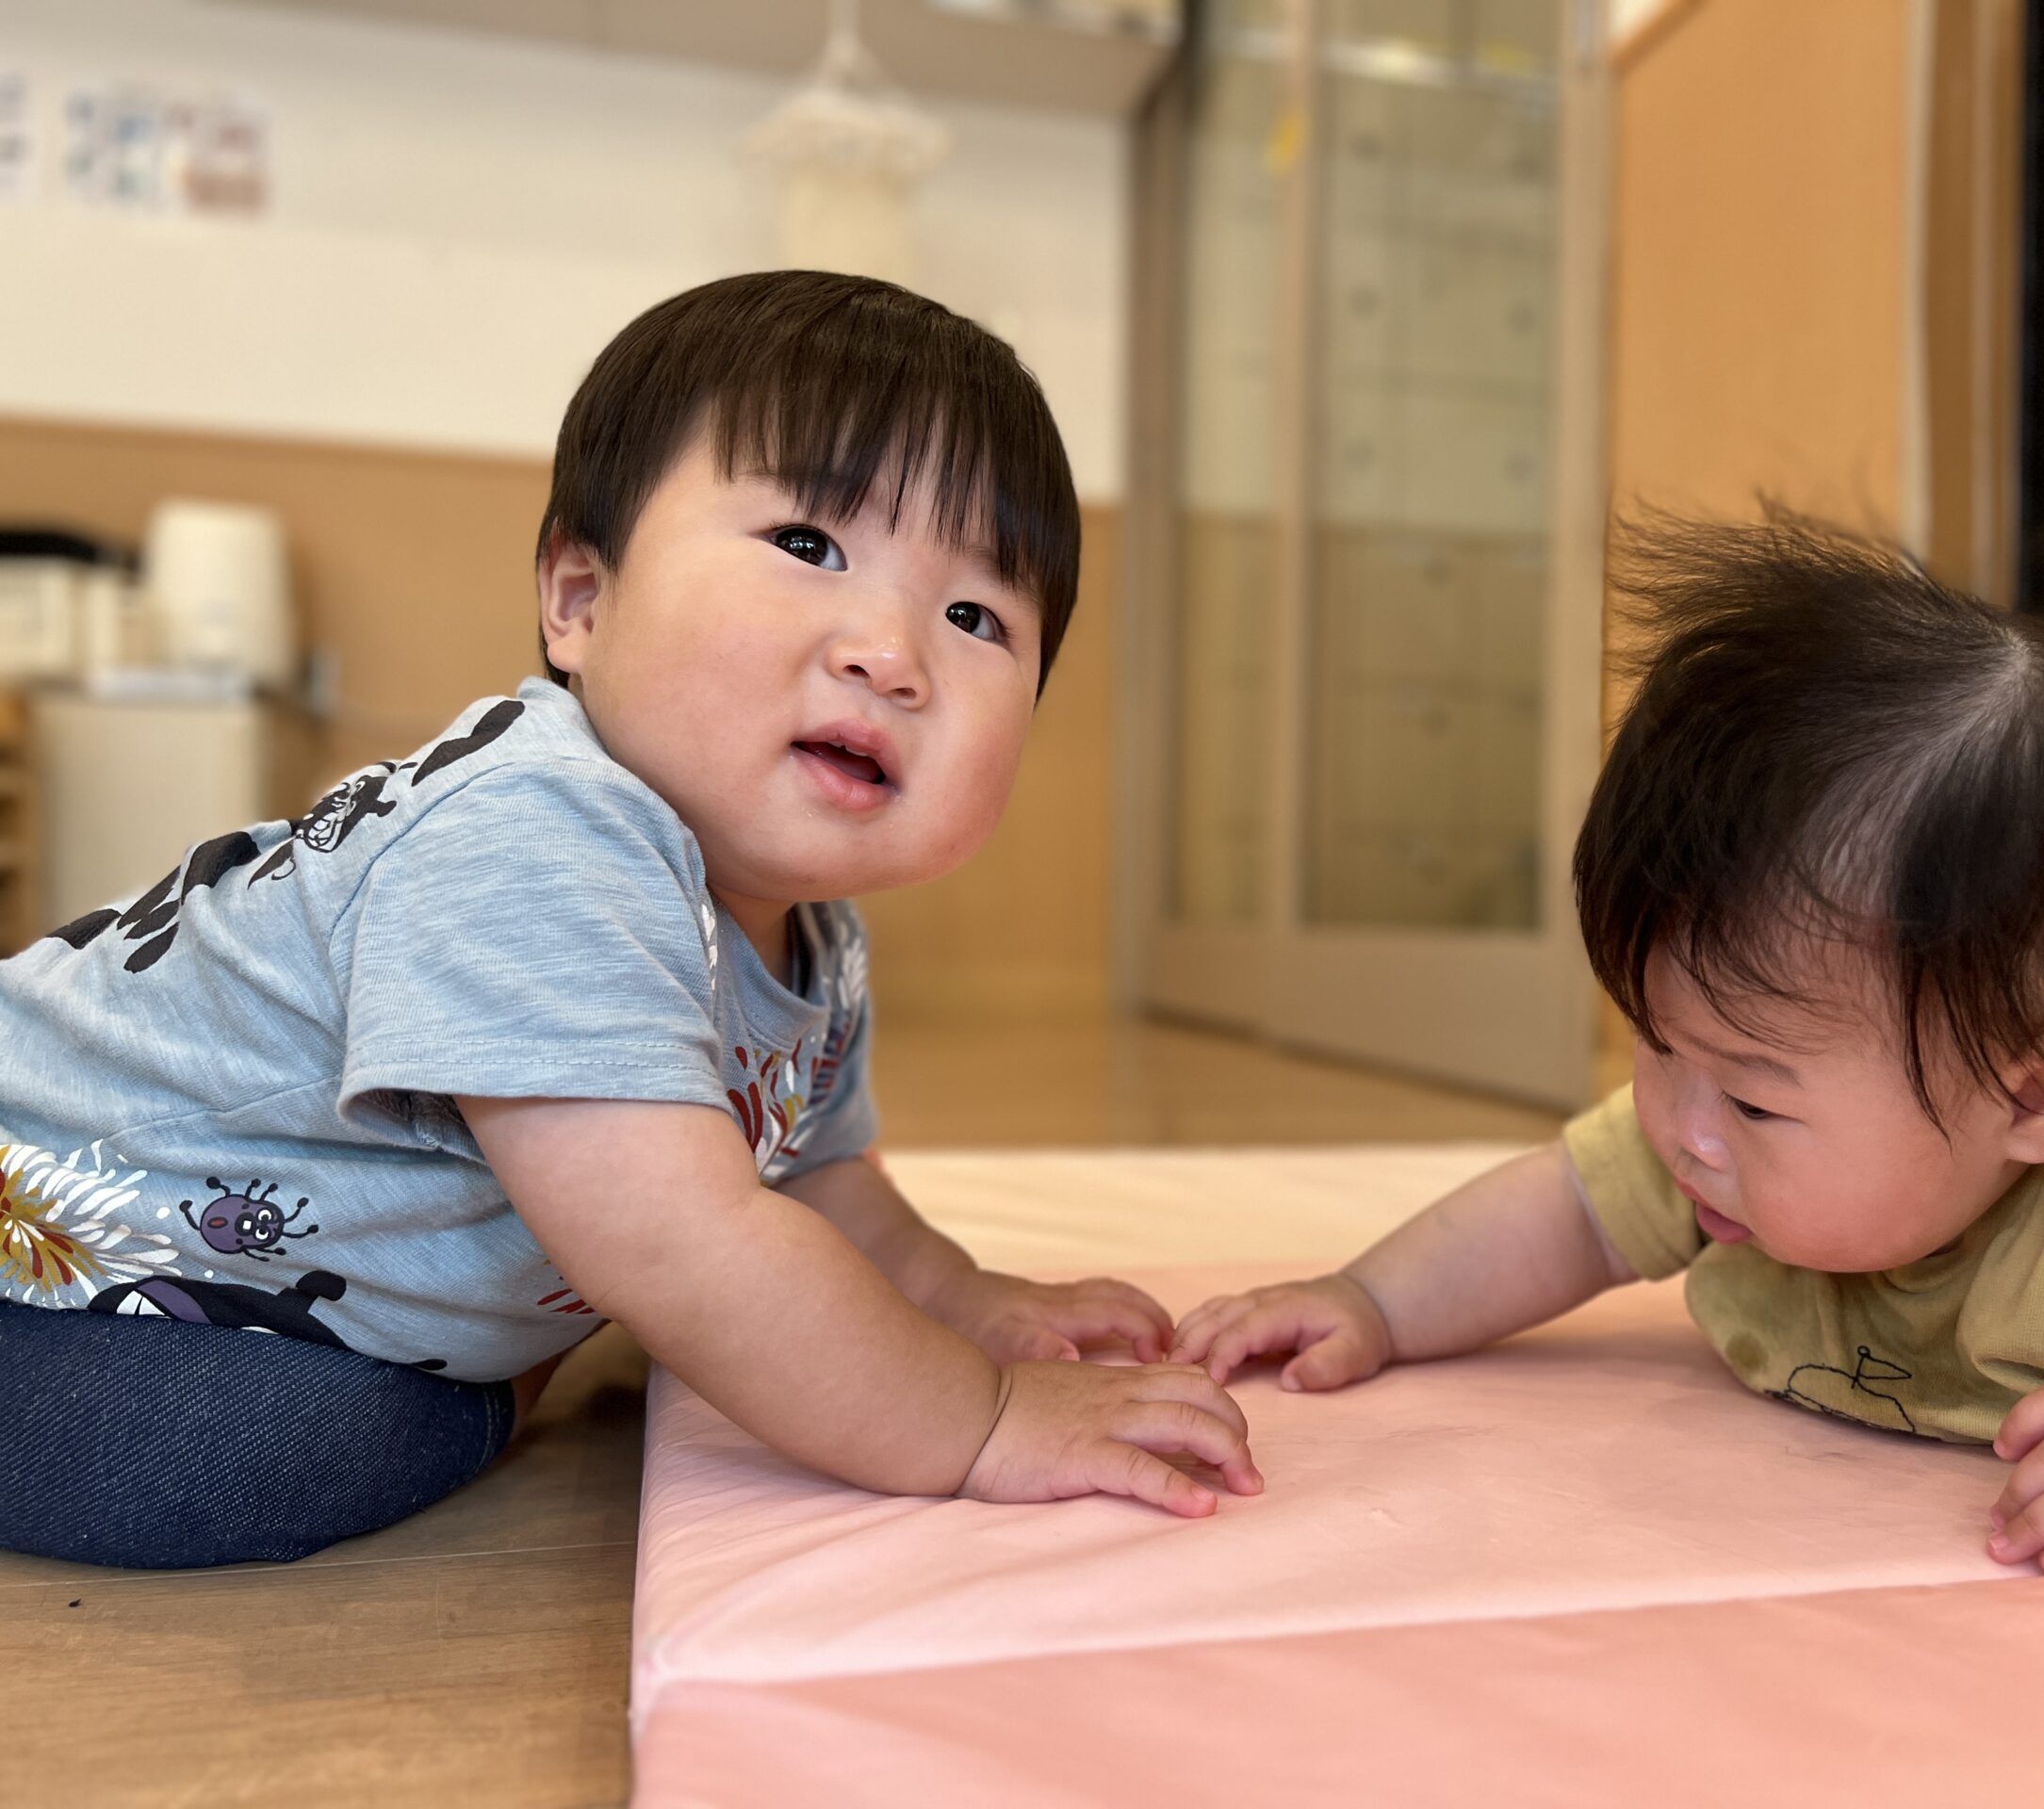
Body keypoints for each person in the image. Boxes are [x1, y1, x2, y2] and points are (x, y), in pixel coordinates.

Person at [0, 271, 1257, 1570]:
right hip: (66, 1251)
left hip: (239, 1274)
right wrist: (977, 1419)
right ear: (581, 602)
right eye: (809, 546)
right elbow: (690, 1252)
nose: (892, 652)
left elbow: (819, 1180)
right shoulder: (535, 835)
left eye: (974, 615)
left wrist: (957, 1303)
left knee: (655, 1321)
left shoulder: (811, 931)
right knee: (241, 1465)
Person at [1169, 514, 2044, 1576]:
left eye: (1756, 1104)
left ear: (2036, 1099)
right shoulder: (1729, 1117)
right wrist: (1369, 1301)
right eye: (1657, 1045)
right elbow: (1567, 1210)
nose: (1682, 1131)